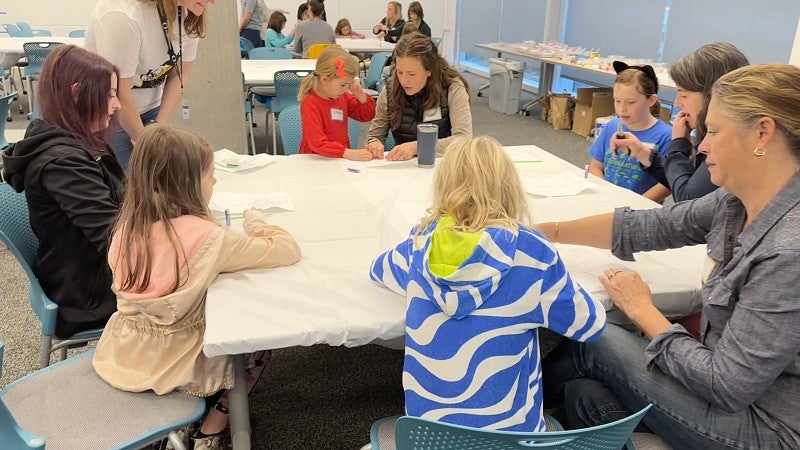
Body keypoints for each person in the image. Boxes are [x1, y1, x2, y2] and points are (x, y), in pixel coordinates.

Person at [537, 64, 800, 449]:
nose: (702, 145)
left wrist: (642, 310)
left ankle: (500, 419)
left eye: (713, 131)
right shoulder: (737, 200)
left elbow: (725, 385)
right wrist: (544, 231)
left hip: (765, 426)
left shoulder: (788, 251)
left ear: (763, 132)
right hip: (729, 390)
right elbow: (647, 228)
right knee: (584, 393)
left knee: (598, 338)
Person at [369, 135, 606, 430]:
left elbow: (378, 269)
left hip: (430, 440)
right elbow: (589, 325)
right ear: (509, 188)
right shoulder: (533, 253)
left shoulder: (420, 244)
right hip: (513, 441)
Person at [92, 124, 301, 449]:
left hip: (124, 352)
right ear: (188, 184)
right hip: (180, 363)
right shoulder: (210, 238)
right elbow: (286, 250)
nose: (215, 181)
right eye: (210, 175)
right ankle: (212, 429)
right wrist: (257, 222)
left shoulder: (125, 228)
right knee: (260, 341)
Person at [1, 45, 123, 338]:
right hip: (88, 297)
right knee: (208, 288)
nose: (117, 104)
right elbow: (116, 240)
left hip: (86, 275)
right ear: (78, 93)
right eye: (110, 94)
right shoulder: (65, 163)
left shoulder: (76, 141)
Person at [85, 0, 215, 171]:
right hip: (110, 112)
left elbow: (180, 74)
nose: (213, 2)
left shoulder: (189, 11)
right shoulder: (122, 13)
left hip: (151, 107)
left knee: (155, 181)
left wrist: (158, 126)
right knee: (123, 187)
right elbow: (120, 93)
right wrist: (146, 142)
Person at [628, 42, 749, 202]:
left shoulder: (729, 142)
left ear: (711, 97)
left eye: (683, 95)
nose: (677, 103)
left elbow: (688, 197)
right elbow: (683, 177)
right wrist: (643, 154)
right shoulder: (708, 133)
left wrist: (678, 144)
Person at [365, 32, 472, 161]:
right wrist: (374, 144)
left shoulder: (453, 87)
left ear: (429, 70)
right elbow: (374, 136)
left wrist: (418, 146)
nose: (403, 81)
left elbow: (463, 140)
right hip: (404, 168)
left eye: (411, 74)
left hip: (444, 165)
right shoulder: (390, 90)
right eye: (399, 72)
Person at [587, 62, 672, 202]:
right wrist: (602, 192)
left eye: (631, 102)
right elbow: (596, 165)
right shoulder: (612, 126)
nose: (622, 109)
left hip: (641, 210)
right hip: (607, 202)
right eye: (617, 101)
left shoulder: (666, 135)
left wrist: (634, 206)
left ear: (651, 100)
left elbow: (666, 184)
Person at [297, 47, 375, 160]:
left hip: (339, 155)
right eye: (343, 85)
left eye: (348, 85)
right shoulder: (310, 103)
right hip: (317, 157)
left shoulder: (341, 96)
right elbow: (317, 142)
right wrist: (346, 153)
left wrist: (360, 96)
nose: (346, 89)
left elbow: (367, 116)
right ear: (324, 79)